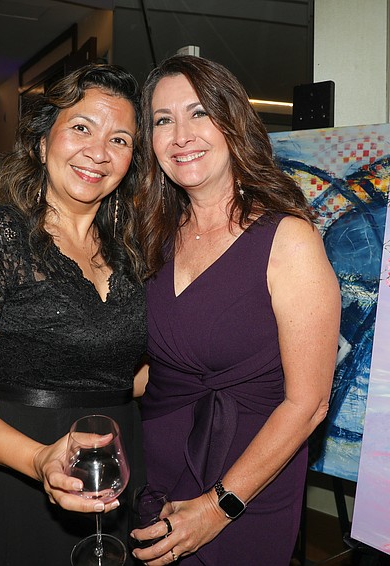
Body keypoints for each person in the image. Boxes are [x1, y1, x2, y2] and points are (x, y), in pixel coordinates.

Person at [0, 64, 148, 565]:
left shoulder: (133, 252)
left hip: (116, 461)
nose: (99, 152)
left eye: (121, 139)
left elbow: (131, 368)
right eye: (81, 127)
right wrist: (38, 458)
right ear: (43, 144)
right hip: (12, 465)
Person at [130, 55, 341, 565]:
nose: (181, 135)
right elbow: (152, 369)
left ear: (233, 123)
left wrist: (218, 506)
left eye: (198, 113)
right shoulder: (153, 236)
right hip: (153, 475)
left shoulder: (287, 239)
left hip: (246, 491)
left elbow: (308, 403)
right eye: (163, 120)